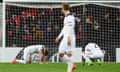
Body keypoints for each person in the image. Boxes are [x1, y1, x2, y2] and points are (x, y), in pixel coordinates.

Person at [55, 3, 76, 72]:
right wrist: (59, 37)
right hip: (65, 38)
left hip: (69, 38)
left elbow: (70, 28)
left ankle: (70, 67)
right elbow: (64, 29)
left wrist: (69, 38)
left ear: (64, 8)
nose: (61, 9)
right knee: (61, 53)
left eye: (62, 8)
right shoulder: (66, 17)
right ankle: (72, 64)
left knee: (68, 54)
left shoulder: (70, 17)